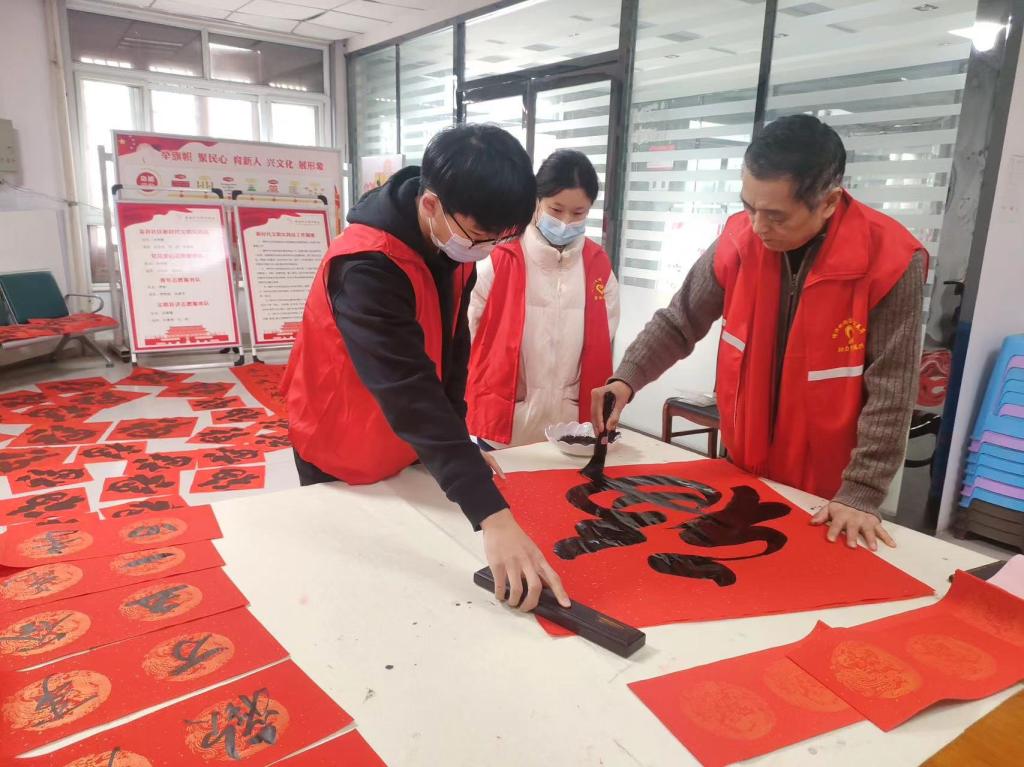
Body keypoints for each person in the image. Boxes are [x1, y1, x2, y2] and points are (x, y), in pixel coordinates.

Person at [591, 114, 926, 552]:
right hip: (743, 467)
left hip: (832, 495)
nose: (757, 226)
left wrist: (861, 491)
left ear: (828, 202)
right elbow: (679, 321)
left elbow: (892, 390)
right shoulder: (740, 241)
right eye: (749, 207)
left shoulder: (890, 261)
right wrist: (626, 378)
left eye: (775, 216)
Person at [283, 124, 569, 612]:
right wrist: (492, 515)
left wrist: (459, 440)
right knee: (355, 590)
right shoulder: (365, 266)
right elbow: (408, 390)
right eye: (479, 237)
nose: (484, 250)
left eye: (498, 239)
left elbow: (452, 351)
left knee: (418, 597)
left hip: (402, 443)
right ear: (431, 204)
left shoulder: (452, 241)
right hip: (339, 440)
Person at [466, 149, 620, 447]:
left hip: (572, 428)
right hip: (507, 421)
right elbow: (472, 330)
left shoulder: (598, 266)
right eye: (556, 209)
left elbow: (606, 331)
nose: (565, 221)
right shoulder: (502, 259)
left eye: (578, 213)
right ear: (537, 201)